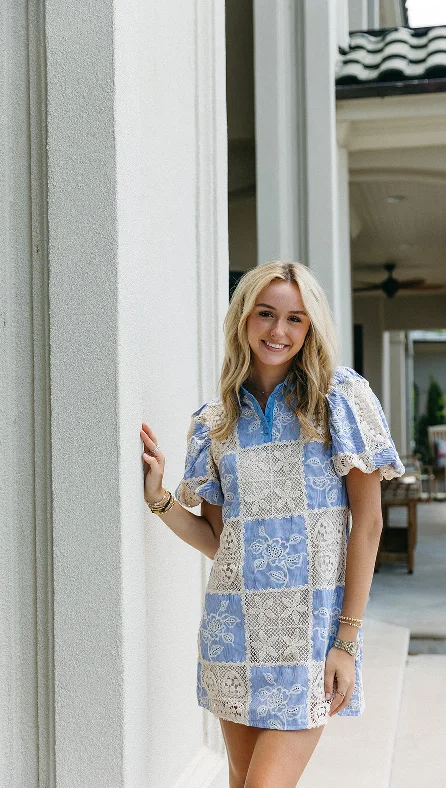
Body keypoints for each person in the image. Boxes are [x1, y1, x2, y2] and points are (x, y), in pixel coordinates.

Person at [140, 260, 404, 788]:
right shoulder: (214, 423)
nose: (278, 331)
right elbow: (220, 543)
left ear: (311, 329)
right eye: (266, 314)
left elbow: (369, 525)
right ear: (244, 318)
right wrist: (161, 500)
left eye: (295, 319)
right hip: (232, 636)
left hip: (310, 641)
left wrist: (346, 642)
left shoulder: (340, 401)